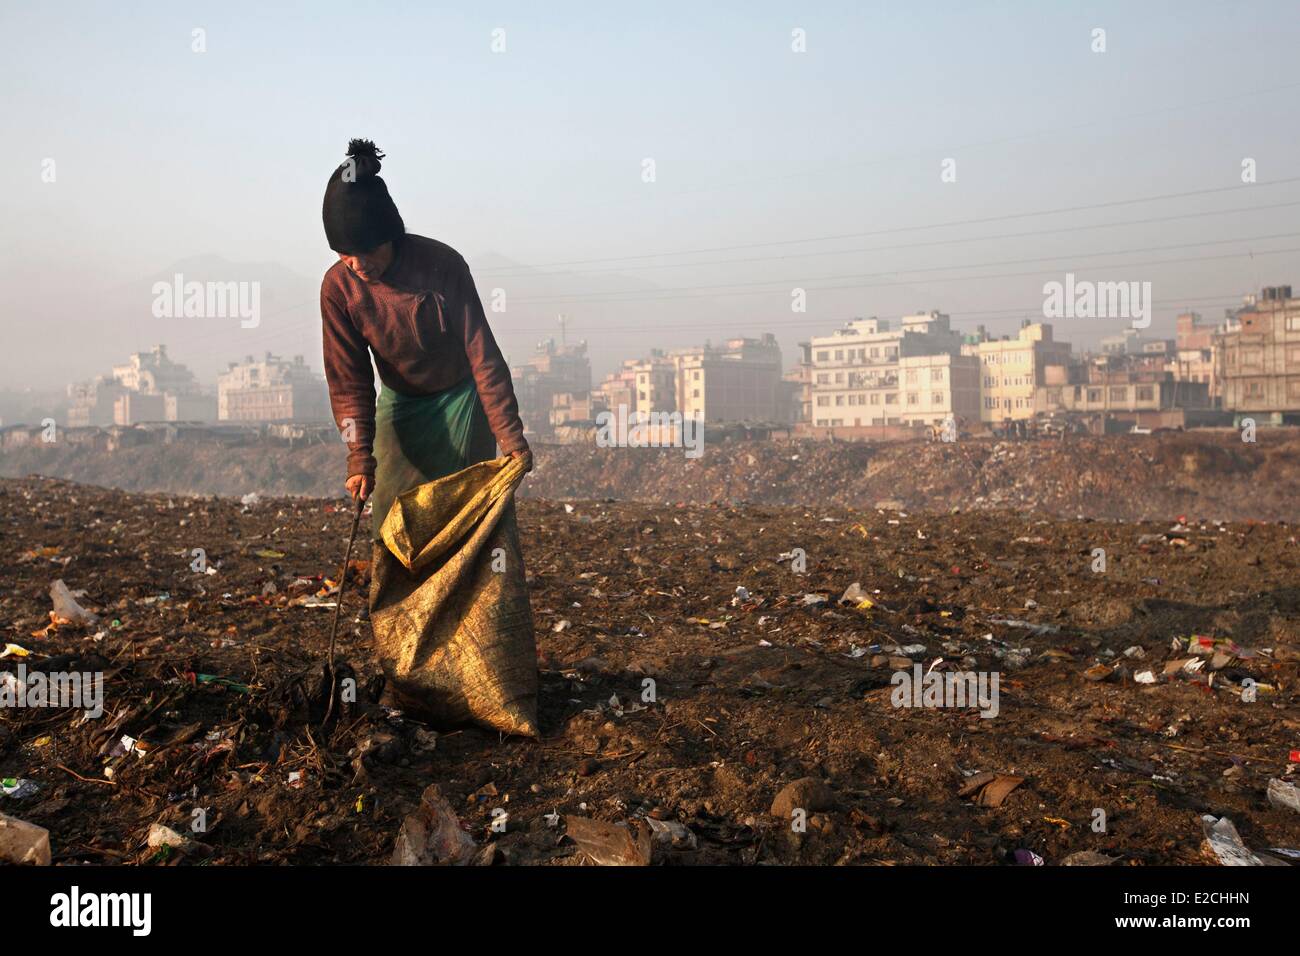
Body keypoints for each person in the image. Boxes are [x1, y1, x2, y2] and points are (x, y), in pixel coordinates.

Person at [319, 139, 532, 538]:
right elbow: (349, 383)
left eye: (367, 252)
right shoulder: (338, 289)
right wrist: (359, 456)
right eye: (345, 255)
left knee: (466, 522)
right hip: (400, 404)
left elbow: (481, 353)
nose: (358, 265)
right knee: (392, 522)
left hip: (462, 401)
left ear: (391, 236)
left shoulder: (442, 265)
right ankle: (401, 603)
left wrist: (510, 436)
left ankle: (460, 601)